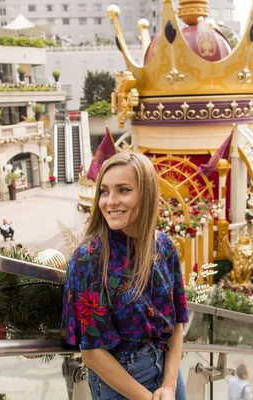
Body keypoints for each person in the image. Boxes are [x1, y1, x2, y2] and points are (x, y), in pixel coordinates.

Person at [60, 152, 189, 400]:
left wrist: (169, 386)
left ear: (147, 194)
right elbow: (92, 353)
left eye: (123, 190)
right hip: (120, 383)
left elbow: (177, 320)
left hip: (168, 373)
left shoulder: (163, 246)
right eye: (105, 191)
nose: (110, 201)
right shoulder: (89, 257)